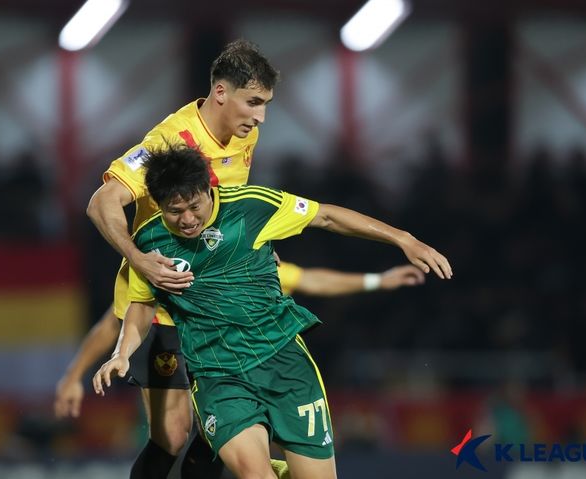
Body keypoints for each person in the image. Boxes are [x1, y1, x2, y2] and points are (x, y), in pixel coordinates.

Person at [92, 145, 452, 479]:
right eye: (174, 211)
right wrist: (122, 353)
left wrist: (403, 239)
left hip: (284, 364)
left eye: (194, 206)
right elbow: (141, 304)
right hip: (218, 376)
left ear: (208, 188)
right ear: (158, 204)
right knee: (254, 474)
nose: (187, 218)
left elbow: (325, 217)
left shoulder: (252, 207)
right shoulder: (148, 244)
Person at [84, 39, 278, 478]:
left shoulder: (248, 134)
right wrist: (139, 258)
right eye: (253, 103)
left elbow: (229, 204)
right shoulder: (169, 141)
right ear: (221, 93)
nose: (260, 116)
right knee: (172, 434)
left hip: (216, 301)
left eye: (265, 104)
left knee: (224, 425)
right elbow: (102, 202)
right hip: (163, 302)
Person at [54, 262, 425, 474]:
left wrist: (378, 279)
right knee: (173, 436)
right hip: (166, 337)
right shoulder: (154, 250)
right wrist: (74, 376)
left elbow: (307, 279)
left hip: (226, 353)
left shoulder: (244, 249)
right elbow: (113, 322)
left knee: (213, 436)